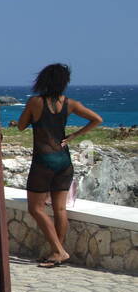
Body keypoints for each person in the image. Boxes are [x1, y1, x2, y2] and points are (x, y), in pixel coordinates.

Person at [14, 63, 103, 267]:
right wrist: (73, 135)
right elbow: (97, 119)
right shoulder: (71, 103)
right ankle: (57, 253)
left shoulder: (35, 102)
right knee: (60, 209)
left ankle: (59, 251)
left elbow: (20, 126)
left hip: (43, 162)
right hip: (64, 161)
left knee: (36, 208)